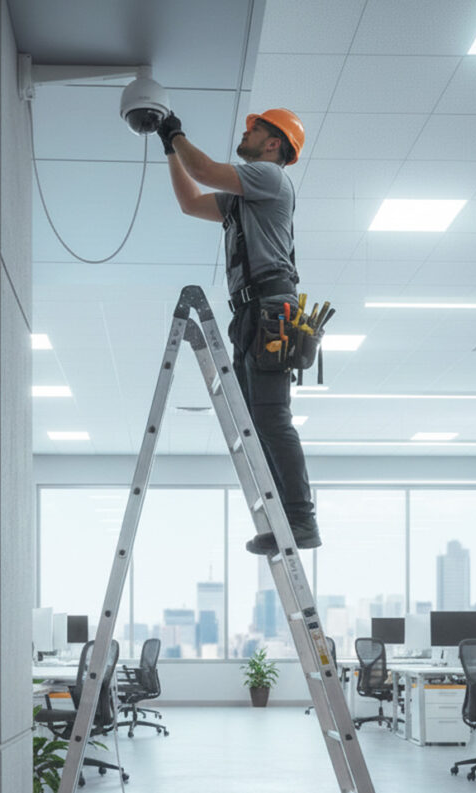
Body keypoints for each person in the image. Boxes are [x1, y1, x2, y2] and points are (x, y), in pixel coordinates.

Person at [157, 108, 320, 555]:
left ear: (273, 144)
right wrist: (171, 147)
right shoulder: (243, 197)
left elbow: (205, 170)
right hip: (252, 314)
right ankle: (285, 522)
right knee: (256, 423)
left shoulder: (269, 176)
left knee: (271, 418)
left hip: (271, 309)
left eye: (254, 130)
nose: (245, 134)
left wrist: (177, 131)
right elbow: (190, 201)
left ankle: (302, 521)